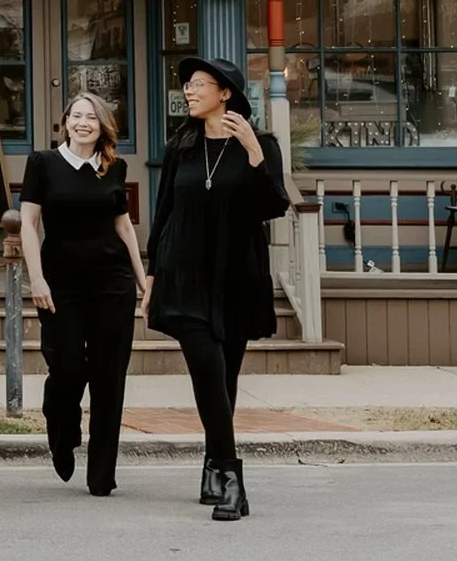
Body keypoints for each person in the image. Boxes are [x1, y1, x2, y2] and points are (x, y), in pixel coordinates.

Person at [144, 58, 289, 521]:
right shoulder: (181, 147)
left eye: (198, 85)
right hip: (183, 275)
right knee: (207, 374)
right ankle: (231, 479)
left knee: (224, 380)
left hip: (236, 276)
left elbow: (273, 206)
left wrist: (253, 151)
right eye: (187, 85)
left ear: (225, 93)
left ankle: (210, 464)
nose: (188, 91)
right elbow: (163, 210)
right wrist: (150, 278)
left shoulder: (261, 145)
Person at [19, 93, 149, 497]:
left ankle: (102, 473)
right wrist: (36, 279)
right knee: (69, 367)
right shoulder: (43, 164)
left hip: (112, 283)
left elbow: (123, 226)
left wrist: (142, 279)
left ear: (103, 125)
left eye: (91, 117)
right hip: (61, 283)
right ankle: (61, 428)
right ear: (65, 122)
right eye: (76, 116)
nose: (83, 123)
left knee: (110, 377)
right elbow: (28, 224)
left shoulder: (114, 166)